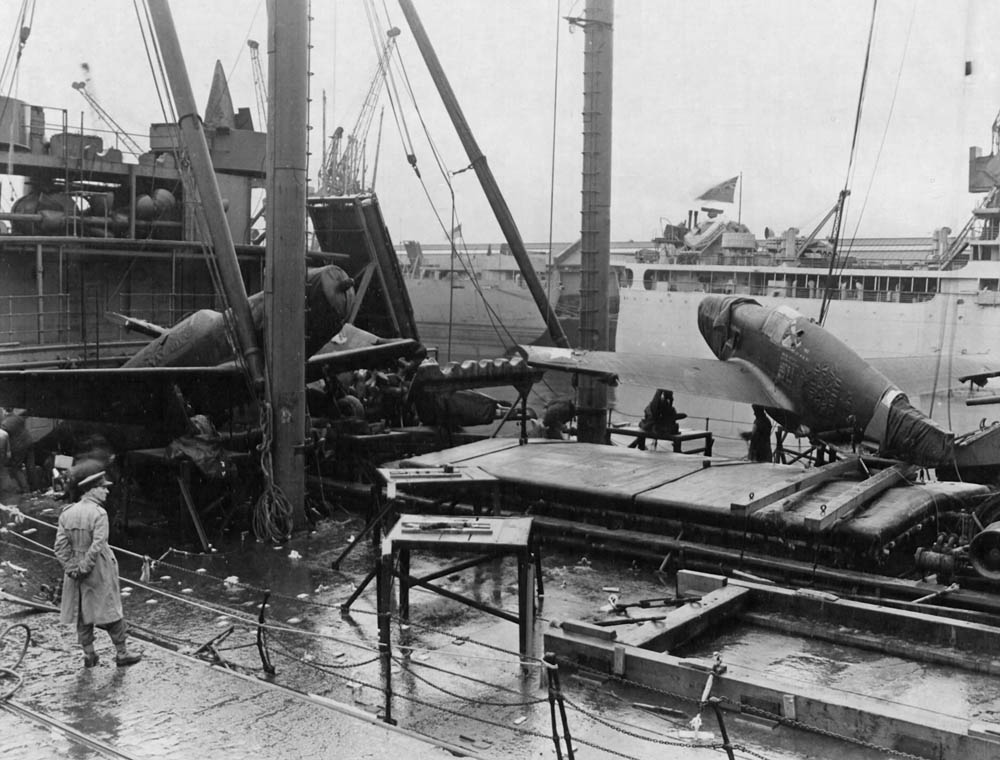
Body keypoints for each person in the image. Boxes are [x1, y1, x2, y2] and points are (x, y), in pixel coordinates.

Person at [53, 470, 141, 668]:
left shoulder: (67, 513)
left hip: (75, 568)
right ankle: (122, 653)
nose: (107, 492)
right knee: (110, 608)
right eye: (103, 488)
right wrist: (85, 566)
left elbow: (59, 546)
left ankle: (89, 655)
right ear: (92, 491)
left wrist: (71, 567)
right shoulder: (99, 513)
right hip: (97, 567)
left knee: (82, 611)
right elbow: (98, 544)